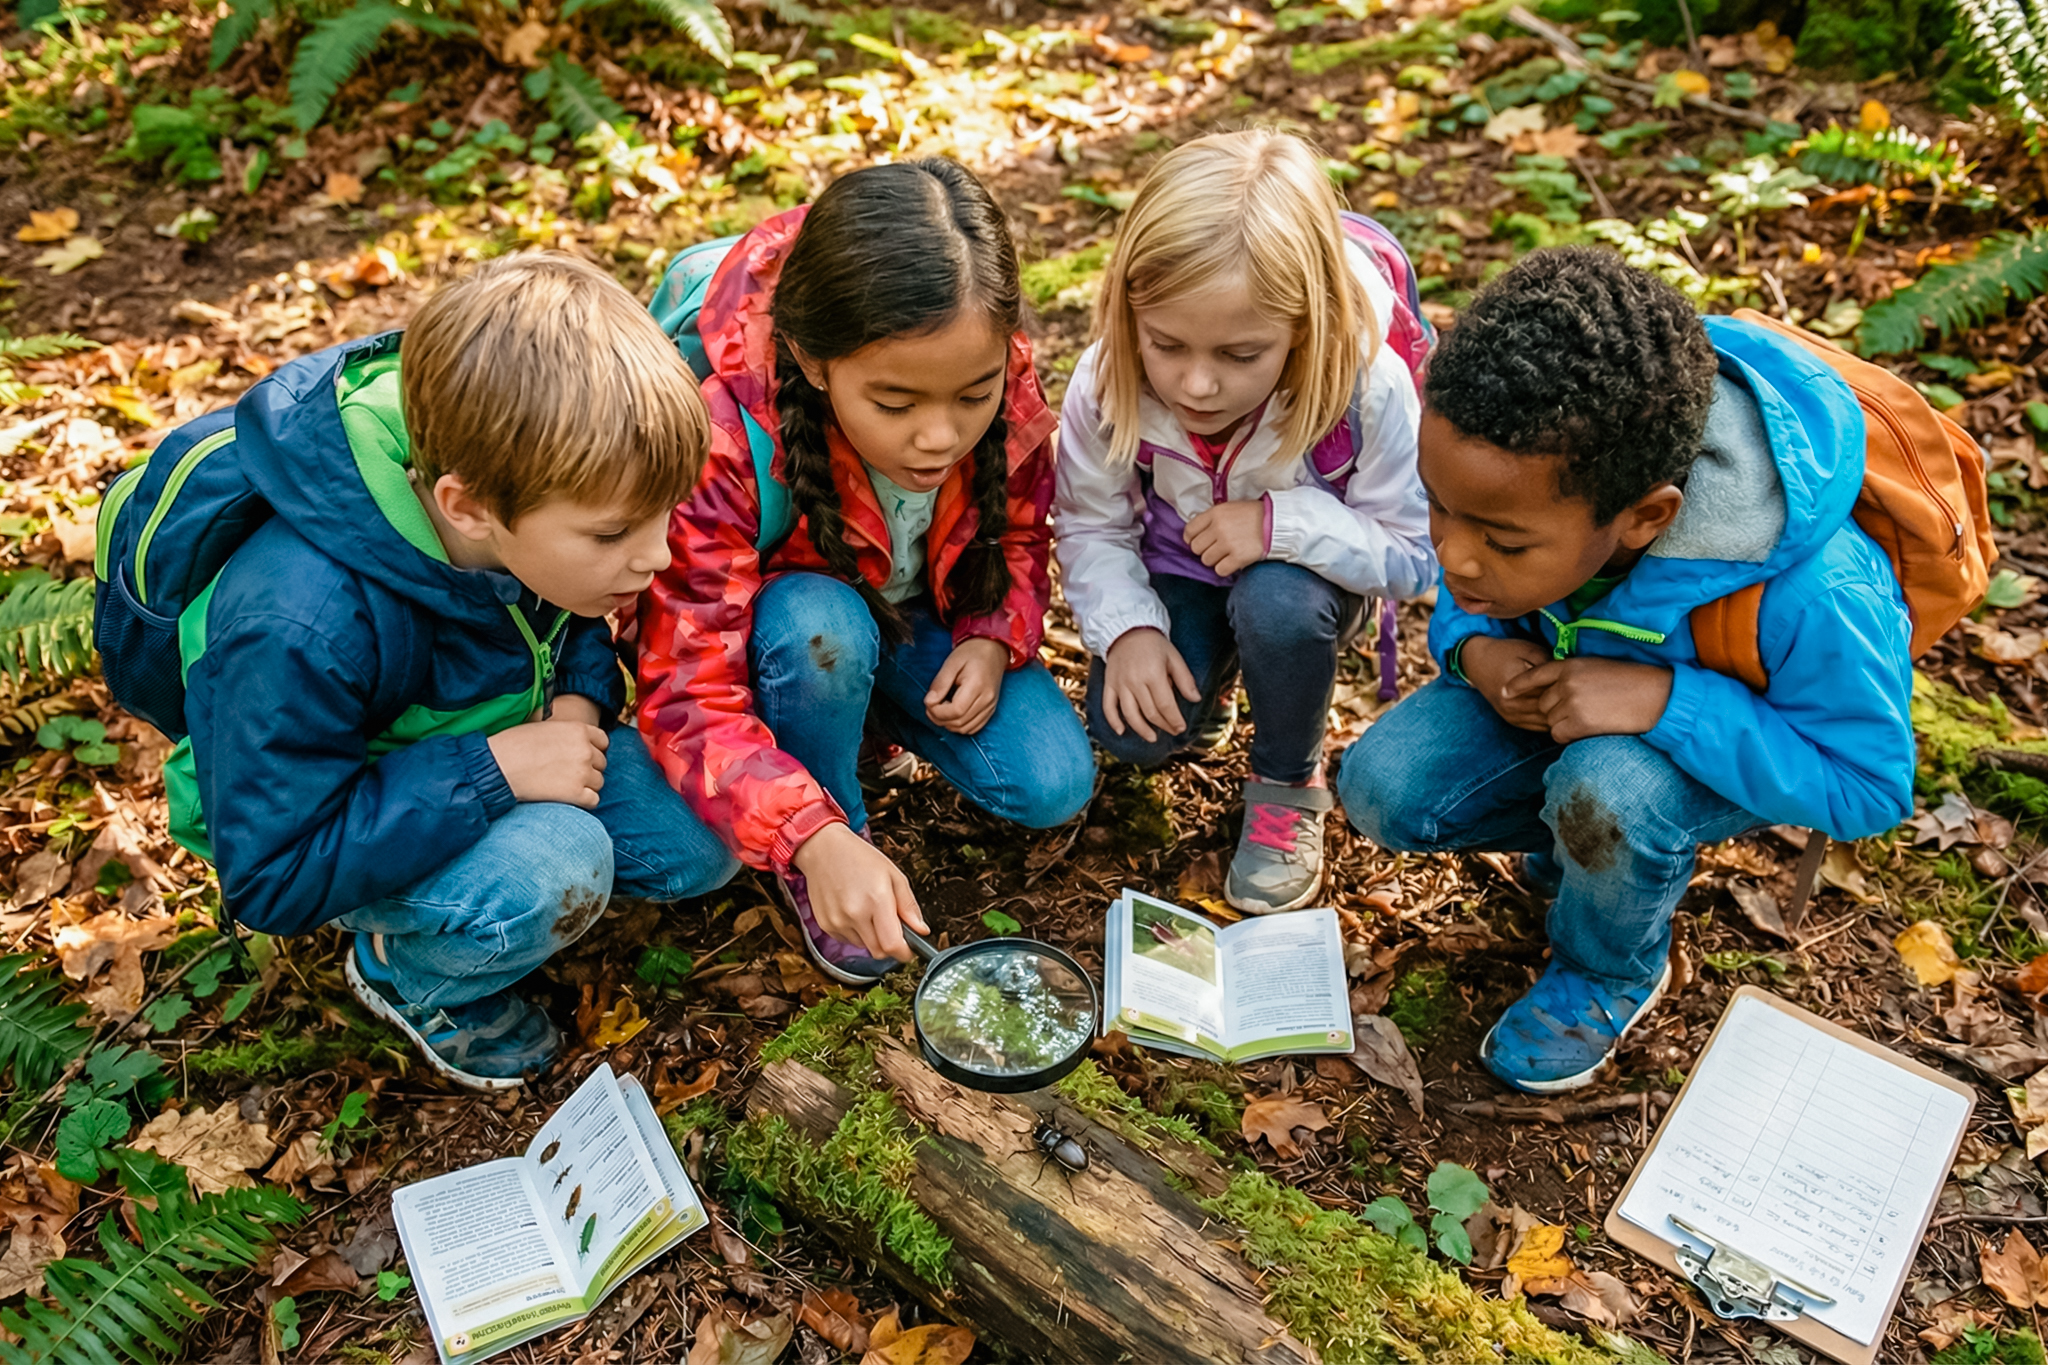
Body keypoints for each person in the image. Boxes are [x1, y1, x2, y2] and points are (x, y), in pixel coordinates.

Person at [97, 254, 740, 1091]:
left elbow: (560, 613)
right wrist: (497, 770)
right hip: (325, 814)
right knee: (562, 861)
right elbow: (273, 872)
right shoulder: (298, 622)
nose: (654, 554)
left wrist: (581, 700)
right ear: (466, 504)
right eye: (615, 534)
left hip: (487, 741)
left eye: (662, 515)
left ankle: (492, 890)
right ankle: (411, 971)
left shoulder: (527, 483)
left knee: (710, 831)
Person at [1338, 248, 1915, 1093]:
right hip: (1573, 710)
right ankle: (1586, 856)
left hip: (1715, 744)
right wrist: (1477, 649)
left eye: (1500, 541)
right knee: (1384, 784)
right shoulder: (1532, 485)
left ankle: (1611, 966)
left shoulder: (1813, 593)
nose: (1452, 555)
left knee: (1610, 791)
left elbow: (1869, 787)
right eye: (1438, 506)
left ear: (1646, 517)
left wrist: (1666, 701)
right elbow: (1476, 601)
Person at [635, 159, 1095, 987]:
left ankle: (869, 723)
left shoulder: (996, 367)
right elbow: (687, 690)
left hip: (917, 621)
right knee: (822, 627)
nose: (939, 436)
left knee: (1050, 780)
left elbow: (1024, 529)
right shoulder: (725, 434)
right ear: (813, 363)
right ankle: (830, 836)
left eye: (972, 396)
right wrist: (811, 835)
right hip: (801, 641)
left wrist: (996, 637)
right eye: (895, 404)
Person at [1052, 129, 1433, 915]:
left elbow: (1412, 554)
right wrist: (1128, 630)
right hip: (1182, 564)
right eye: (1167, 344)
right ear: (1131, 311)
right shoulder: (1109, 378)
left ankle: (1287, 780)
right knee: (1135, 733)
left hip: (1309, 583)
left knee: (1276, 604)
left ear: (1307, 324)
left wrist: (1279, 525)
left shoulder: (1367, 386)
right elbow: (1092, 522)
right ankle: (1220, 680)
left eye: (1241, 354)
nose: (1196, 382)